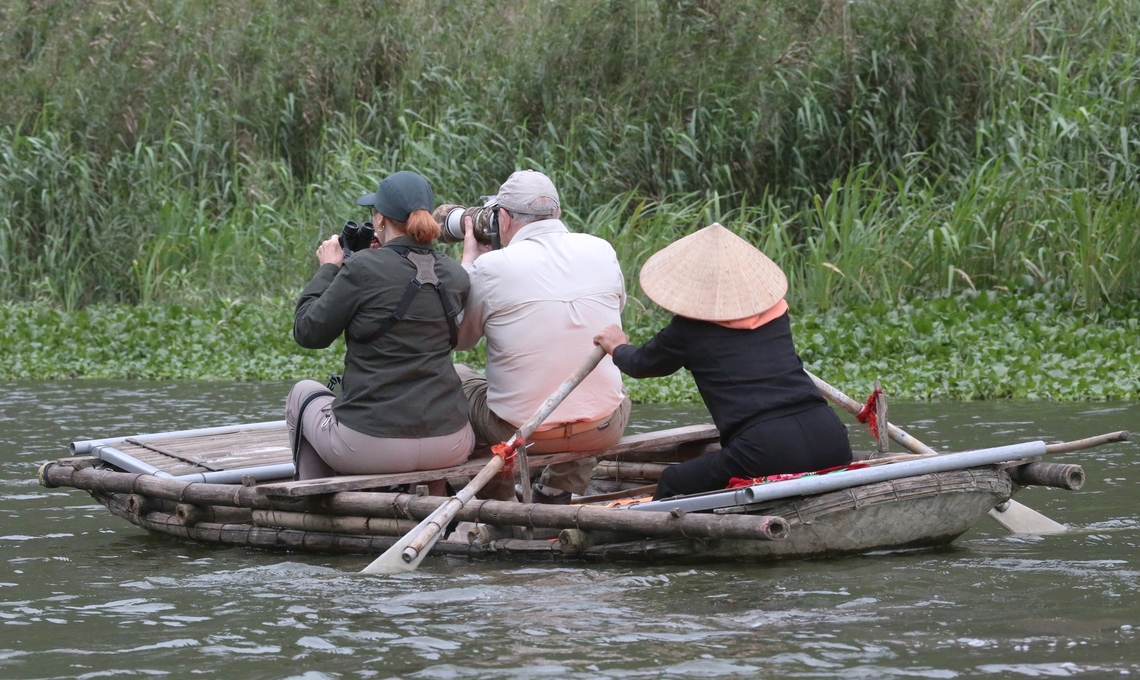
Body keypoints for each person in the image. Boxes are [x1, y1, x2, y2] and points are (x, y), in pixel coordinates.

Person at [593, 223, 852, 500]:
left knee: (673, 480)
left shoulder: (687, 331)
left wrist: (617, 346)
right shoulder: (776, 313)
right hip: (831, 436)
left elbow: (642, 364)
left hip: (766, 448)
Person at [286, 170, 474, 491]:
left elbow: (308, 332)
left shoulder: (361, 269)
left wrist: (329, 268)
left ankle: (314, 505)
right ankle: (434, 503)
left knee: (302, 393)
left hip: (370, 447)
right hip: (450, 444)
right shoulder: (456, 274)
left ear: (380, 220)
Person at [455, 170, 631, 503]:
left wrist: (469, 265)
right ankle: (557, 490)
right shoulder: (601, 249)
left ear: (503, 217)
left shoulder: (490, 267)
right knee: (599, 385)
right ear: (558, 214)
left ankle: (499, 503)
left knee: (455, 377)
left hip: (522, 433)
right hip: (602, 427)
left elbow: (462, 340)